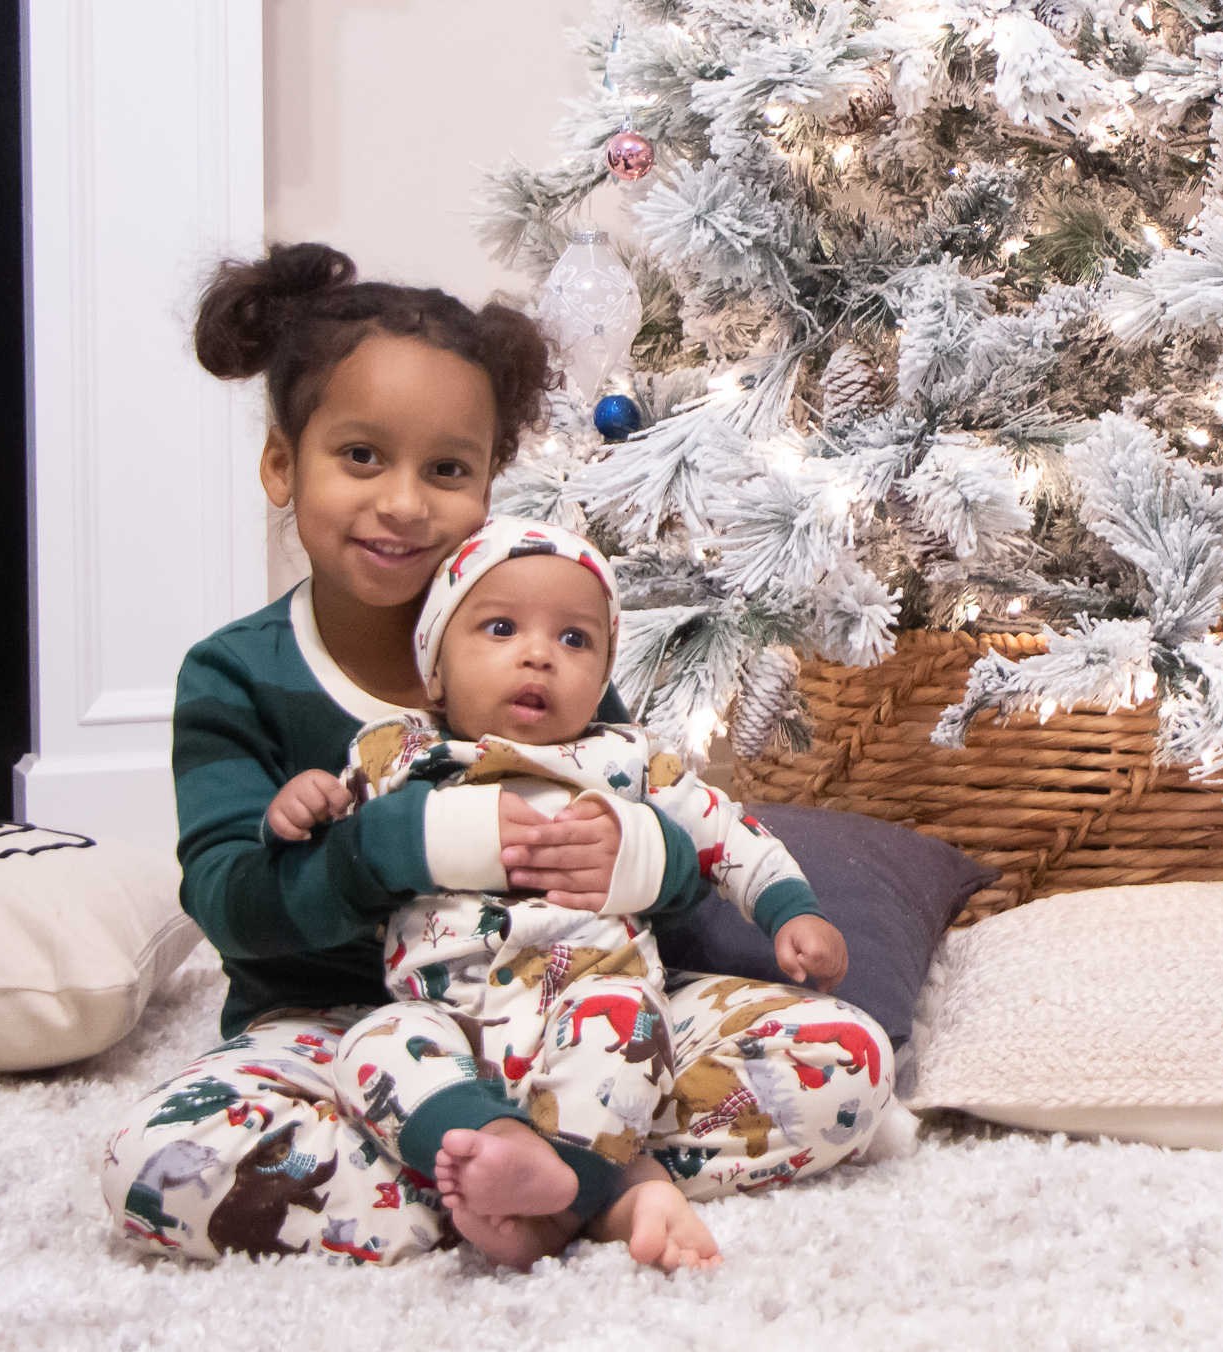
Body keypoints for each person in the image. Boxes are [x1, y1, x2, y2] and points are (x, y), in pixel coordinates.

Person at [98, 242, 896, 1272]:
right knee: (160, 1168)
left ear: (487, 483)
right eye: (360, 457)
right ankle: (597, 1186)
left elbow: (652, 821)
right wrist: (398, 845)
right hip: (348, 1031)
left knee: (845, 1063)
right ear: (282, 465)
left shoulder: (537, 644)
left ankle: (533, 1174)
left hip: (571, 1009)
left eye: (445, 469)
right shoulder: (235, 676)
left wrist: (631, 854)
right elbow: (230, 902)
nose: (401, 503)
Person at [263, 515, 846, 1269]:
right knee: (371, 1046)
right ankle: (514, 1153)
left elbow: (727, 835)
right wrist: (302, 804)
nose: (539, 654)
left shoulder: (628, 759)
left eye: (574, 640)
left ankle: (557, 1189)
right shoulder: (401, 751)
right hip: (450, 1021)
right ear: (435, 668)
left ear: (603, 673)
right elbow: (335, 837)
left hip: (593, 1003)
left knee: (687, 1033)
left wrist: (791, 909)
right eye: (501, 628)